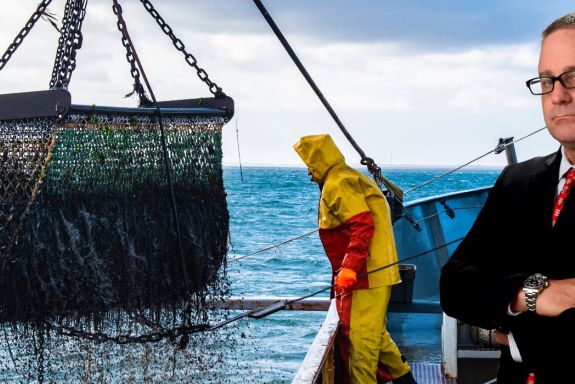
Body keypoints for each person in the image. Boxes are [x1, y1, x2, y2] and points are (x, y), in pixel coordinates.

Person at [440, 12, 575, 384]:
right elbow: (453, 285)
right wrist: (533, 294)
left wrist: (511, 334)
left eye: (573, 76)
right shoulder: (519, 180)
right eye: (547, 80)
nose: (559, 95)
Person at [293, 134, 416, 384]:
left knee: (362, 346)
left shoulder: (338, 182)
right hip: (376, 273)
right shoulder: (347, 175)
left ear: (320, 160)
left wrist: (349, 268)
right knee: (375, 335)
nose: (308, 172)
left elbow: (362, 225)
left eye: (310, 164)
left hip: (366, 276)